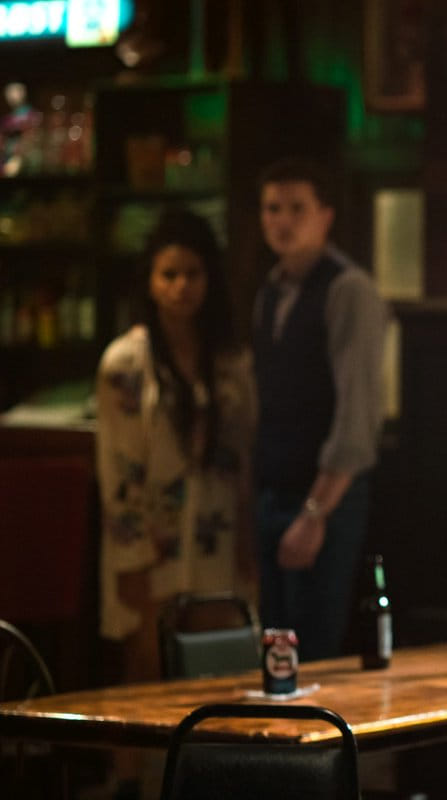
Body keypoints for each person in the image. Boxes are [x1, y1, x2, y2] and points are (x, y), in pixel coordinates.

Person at [96, 209, 256, 682]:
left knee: (223, 673)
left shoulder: (230, 360)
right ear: (150, 281)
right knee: (149, 671)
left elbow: (245, 455)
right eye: (169, 274)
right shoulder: (126, 363)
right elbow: (117, 468)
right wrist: (131, 556)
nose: (181, 286)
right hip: (151, 541)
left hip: (217, 533)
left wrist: (248, 534)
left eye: (192, 274)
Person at [252, 157, 386, 661]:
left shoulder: (347, 289)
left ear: (325, 216)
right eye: (272, 209)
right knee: (274, 648)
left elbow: (357, 413)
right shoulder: (270, 290)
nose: (282, 221)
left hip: (324, 495)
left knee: (315, 650)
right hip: (273, 488)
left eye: (296, 209)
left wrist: (315, 512)